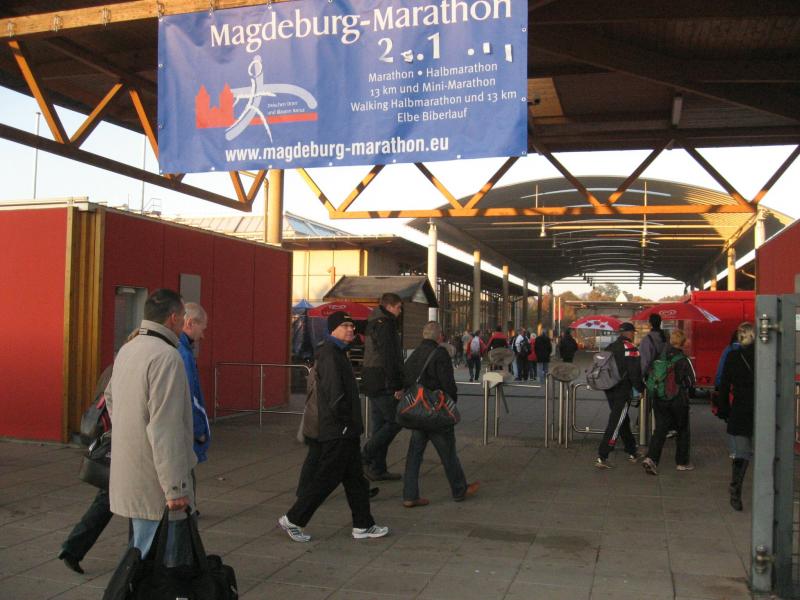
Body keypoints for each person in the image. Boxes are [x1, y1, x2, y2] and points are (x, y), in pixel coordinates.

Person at [279, 311, 388, 542]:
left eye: (352, 326)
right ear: (333, 329)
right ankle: (293, 519)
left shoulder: (338, 352)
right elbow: (335, 393)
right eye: (345, 326)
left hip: (345, 428)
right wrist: (345, 423)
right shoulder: (330, 354)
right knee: (326, 479)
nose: (351, 329)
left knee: (355, 480)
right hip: (339, 429)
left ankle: (363, 525)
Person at [106, 289, 196, 567]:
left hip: (132, 467)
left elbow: (109, 397)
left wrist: (130, 428)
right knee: (146, 559)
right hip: (154, 477)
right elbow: (166, 428)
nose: (185, 322)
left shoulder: (128, 349)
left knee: (140, 549)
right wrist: (175, 488)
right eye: (183, 316)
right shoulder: (167, 357)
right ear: (173, 318)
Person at [401, 321, 480, 507]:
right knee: (448, 454)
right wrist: (451, 402)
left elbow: (406, 379)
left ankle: (410, 495)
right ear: (439, 336)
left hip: (418, 412)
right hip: (437, 412)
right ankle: (459, 490)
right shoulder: (440, 353)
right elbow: (448, 383)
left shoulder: (415, 353)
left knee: (414, 456)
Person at [58, 364, 114, 574]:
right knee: (113, 501)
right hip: (123, 445)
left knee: (107, 500)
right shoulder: (129, 367)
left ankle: (73, 548)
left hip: (111, 441)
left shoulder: (111, 368)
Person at [361, 293, 405, 481]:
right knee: (396, 421)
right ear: (390, 307)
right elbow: (389, 357)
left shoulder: (373, 321)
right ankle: (365, 455)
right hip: (383, 381)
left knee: (379, 425)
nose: (400, 311)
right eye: (399, 307)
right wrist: (397, 385)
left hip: (372, 379)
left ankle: (378, 468)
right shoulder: (386, 324)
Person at [642, 329, 696, 475]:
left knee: (660, 429)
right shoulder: (683, 359)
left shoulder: (659, 356)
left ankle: (651, 458)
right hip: (678, 400)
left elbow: (648, 374)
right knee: (682, 430)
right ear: (683, 343)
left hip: (659, 398)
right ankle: (682, 462)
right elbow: (691, 381)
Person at [717, 322, 755, 511]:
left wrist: (724, 410)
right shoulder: (764, 355)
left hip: (740, 408)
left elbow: (724, 385)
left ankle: (736, 491)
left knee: (741, 453)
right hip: (762, 407)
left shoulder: (733, 356)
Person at [595, 322, 644, 469]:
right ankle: (602, 456)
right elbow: (635, 373)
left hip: (610, 388)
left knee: (623, 419)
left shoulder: (611, 347)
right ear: (629, 333)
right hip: (623, 390)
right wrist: (641, 388)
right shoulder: (630, 348)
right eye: (633, 332)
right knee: (616, 422)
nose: (634, 335)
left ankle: (632, 450)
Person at [178, 303, 210, 481]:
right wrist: (199, 430)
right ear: (190, 323)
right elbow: (190, 397)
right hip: (183, 435)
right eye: (202, 328)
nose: (202, 336)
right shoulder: (184, 354)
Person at [639, 314, 667, 378]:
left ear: (650, 323)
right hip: (664, 373)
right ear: (660, 323)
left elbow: (644, 361)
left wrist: (640, 376)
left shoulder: (647, 339)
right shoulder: (667, 337)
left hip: (652, 376)